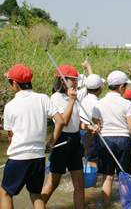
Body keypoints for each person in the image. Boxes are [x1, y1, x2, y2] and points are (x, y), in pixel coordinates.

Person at [1, 65, 64, 209]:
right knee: (36, 194)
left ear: (15, 84)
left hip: (18, 158)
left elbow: (11, 136)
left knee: (5, 193)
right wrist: (51, 143)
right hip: (38, 158)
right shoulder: (42, 98)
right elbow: (60, 121)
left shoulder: (10, 106)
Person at [42, 65, 97, 209]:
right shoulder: (56, 97)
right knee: (53, 183)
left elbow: (77, 123)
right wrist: (72, 101)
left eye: (76, 80)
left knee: (80, 183)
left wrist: (89, 126)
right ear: (62, 80)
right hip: (61, 140)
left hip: (75, 140)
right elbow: (64, 122)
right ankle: (39, 205)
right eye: (73, 80)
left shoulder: (74, 96)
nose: (76, 83)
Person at [91, 71, 131, 205]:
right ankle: (126, 205)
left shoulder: (99, 103)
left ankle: (106, 206)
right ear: (120, 86)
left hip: (105, 141)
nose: (125, 88)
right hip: (123, 140)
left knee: (107, 177)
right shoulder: (127, 104)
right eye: (125, 85)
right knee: (124, 177)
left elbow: (95, 123)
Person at [79, 74, 105, 170]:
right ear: (100, 88)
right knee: (93, 160)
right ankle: (92, 184)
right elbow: (96, 123)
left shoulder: (84, 98)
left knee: (83, 158)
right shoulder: (97, 103)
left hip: (81, 130)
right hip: (90, 133)